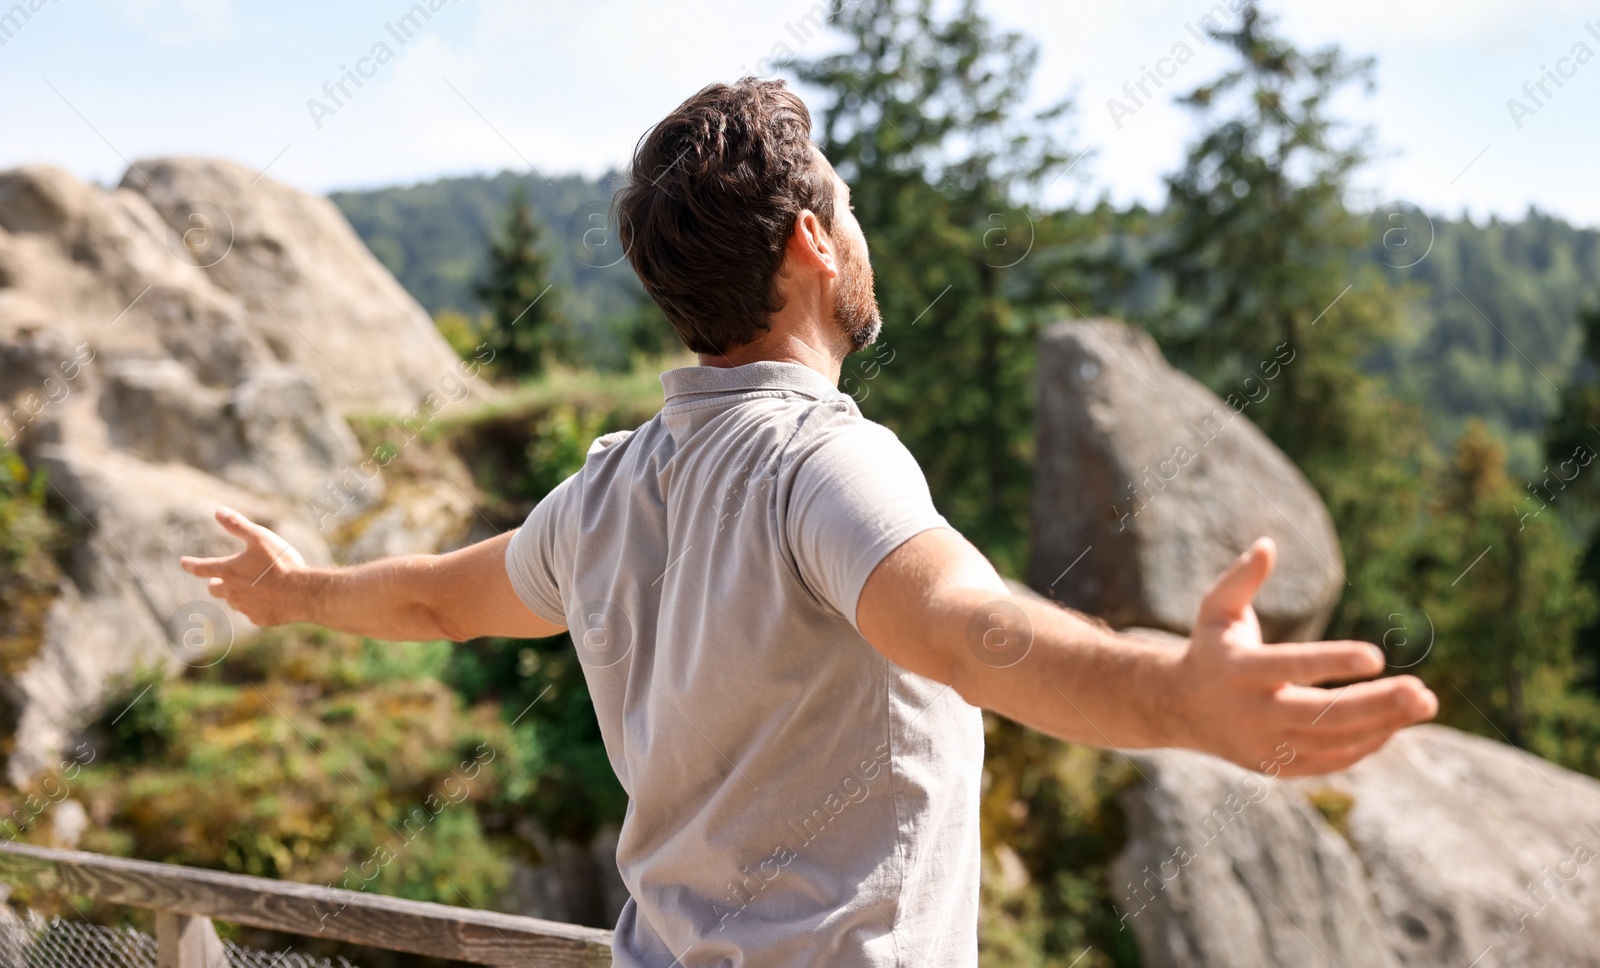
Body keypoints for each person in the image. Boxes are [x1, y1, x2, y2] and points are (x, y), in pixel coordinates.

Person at [181, 78, 1438, 968]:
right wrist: (1173, 696)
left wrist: (298, 592)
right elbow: (967, 629)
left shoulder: (607, 490)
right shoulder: (825, 467)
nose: (861, 232)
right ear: (809, 246)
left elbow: (435, 603)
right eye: (848, 209)